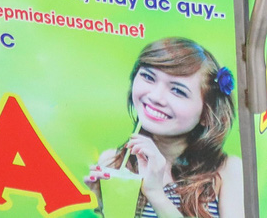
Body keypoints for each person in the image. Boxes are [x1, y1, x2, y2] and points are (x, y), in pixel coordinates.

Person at [85, 38, 241, 216]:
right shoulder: (114, 163)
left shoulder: (227, 171)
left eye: (178, 91)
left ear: (207, 114)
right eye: (148, 77)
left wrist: (155, 194)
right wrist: (102, 207)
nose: (156, 97)